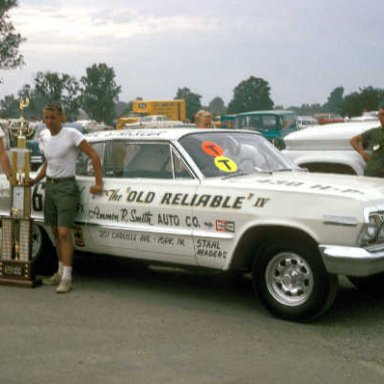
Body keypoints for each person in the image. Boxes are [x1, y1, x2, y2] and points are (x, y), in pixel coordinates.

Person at [30, 104, 103, 293]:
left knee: (64, 233)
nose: (49, 121)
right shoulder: (44, 136)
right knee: (54, 232)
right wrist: (34, 180)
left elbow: (94, 156)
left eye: (53, 117)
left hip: (66, 187)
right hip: (50, 186)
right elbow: (48, 163)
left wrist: (99, 183)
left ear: (61, 117)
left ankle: (68, 278)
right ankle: (59, 272)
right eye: (46, 117)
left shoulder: (72, 134)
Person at [350, 104, 384, 177]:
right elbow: (353, 140)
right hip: (373, 172)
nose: (382, 117)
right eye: (381, 115)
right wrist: (362, 153)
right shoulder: (374, 132)